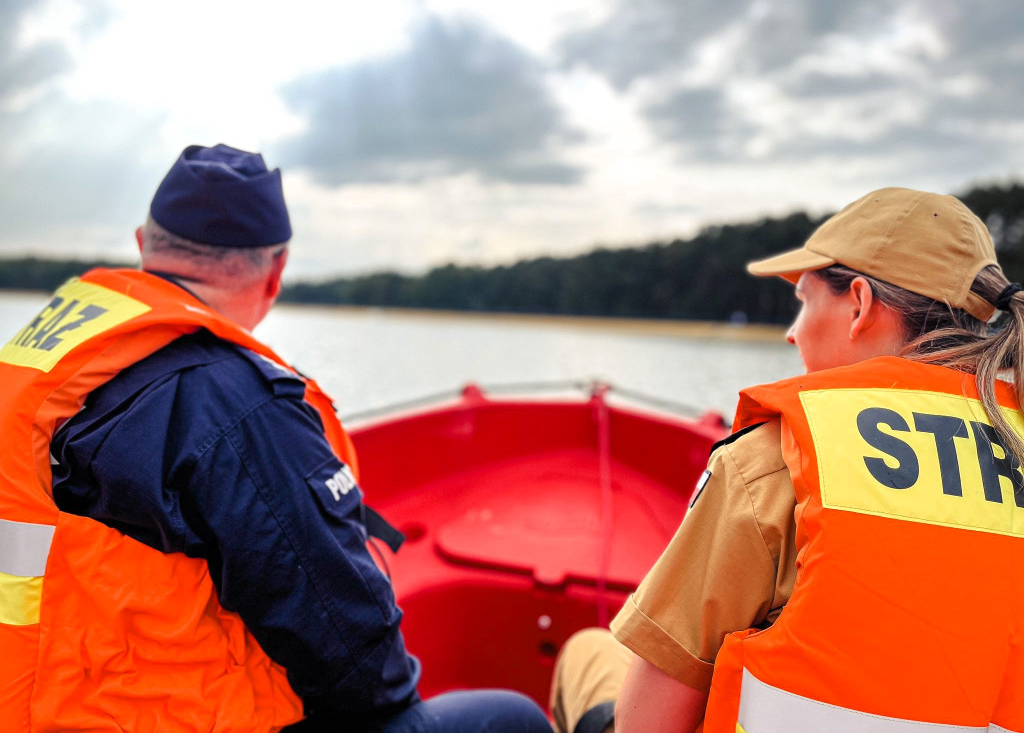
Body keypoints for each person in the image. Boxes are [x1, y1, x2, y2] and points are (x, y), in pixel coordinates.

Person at [0, 144, 552, 733]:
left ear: (143, 244)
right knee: (511, 717)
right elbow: (362, 670)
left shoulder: (46, 361)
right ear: (277, 271)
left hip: (37, 702)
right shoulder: (234, 407)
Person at [551, 187, 1024, 733]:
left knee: (587, 653)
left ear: (859, 305)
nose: (792, 332)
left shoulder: (777, 460)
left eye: (803, 299)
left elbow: (645, 727)